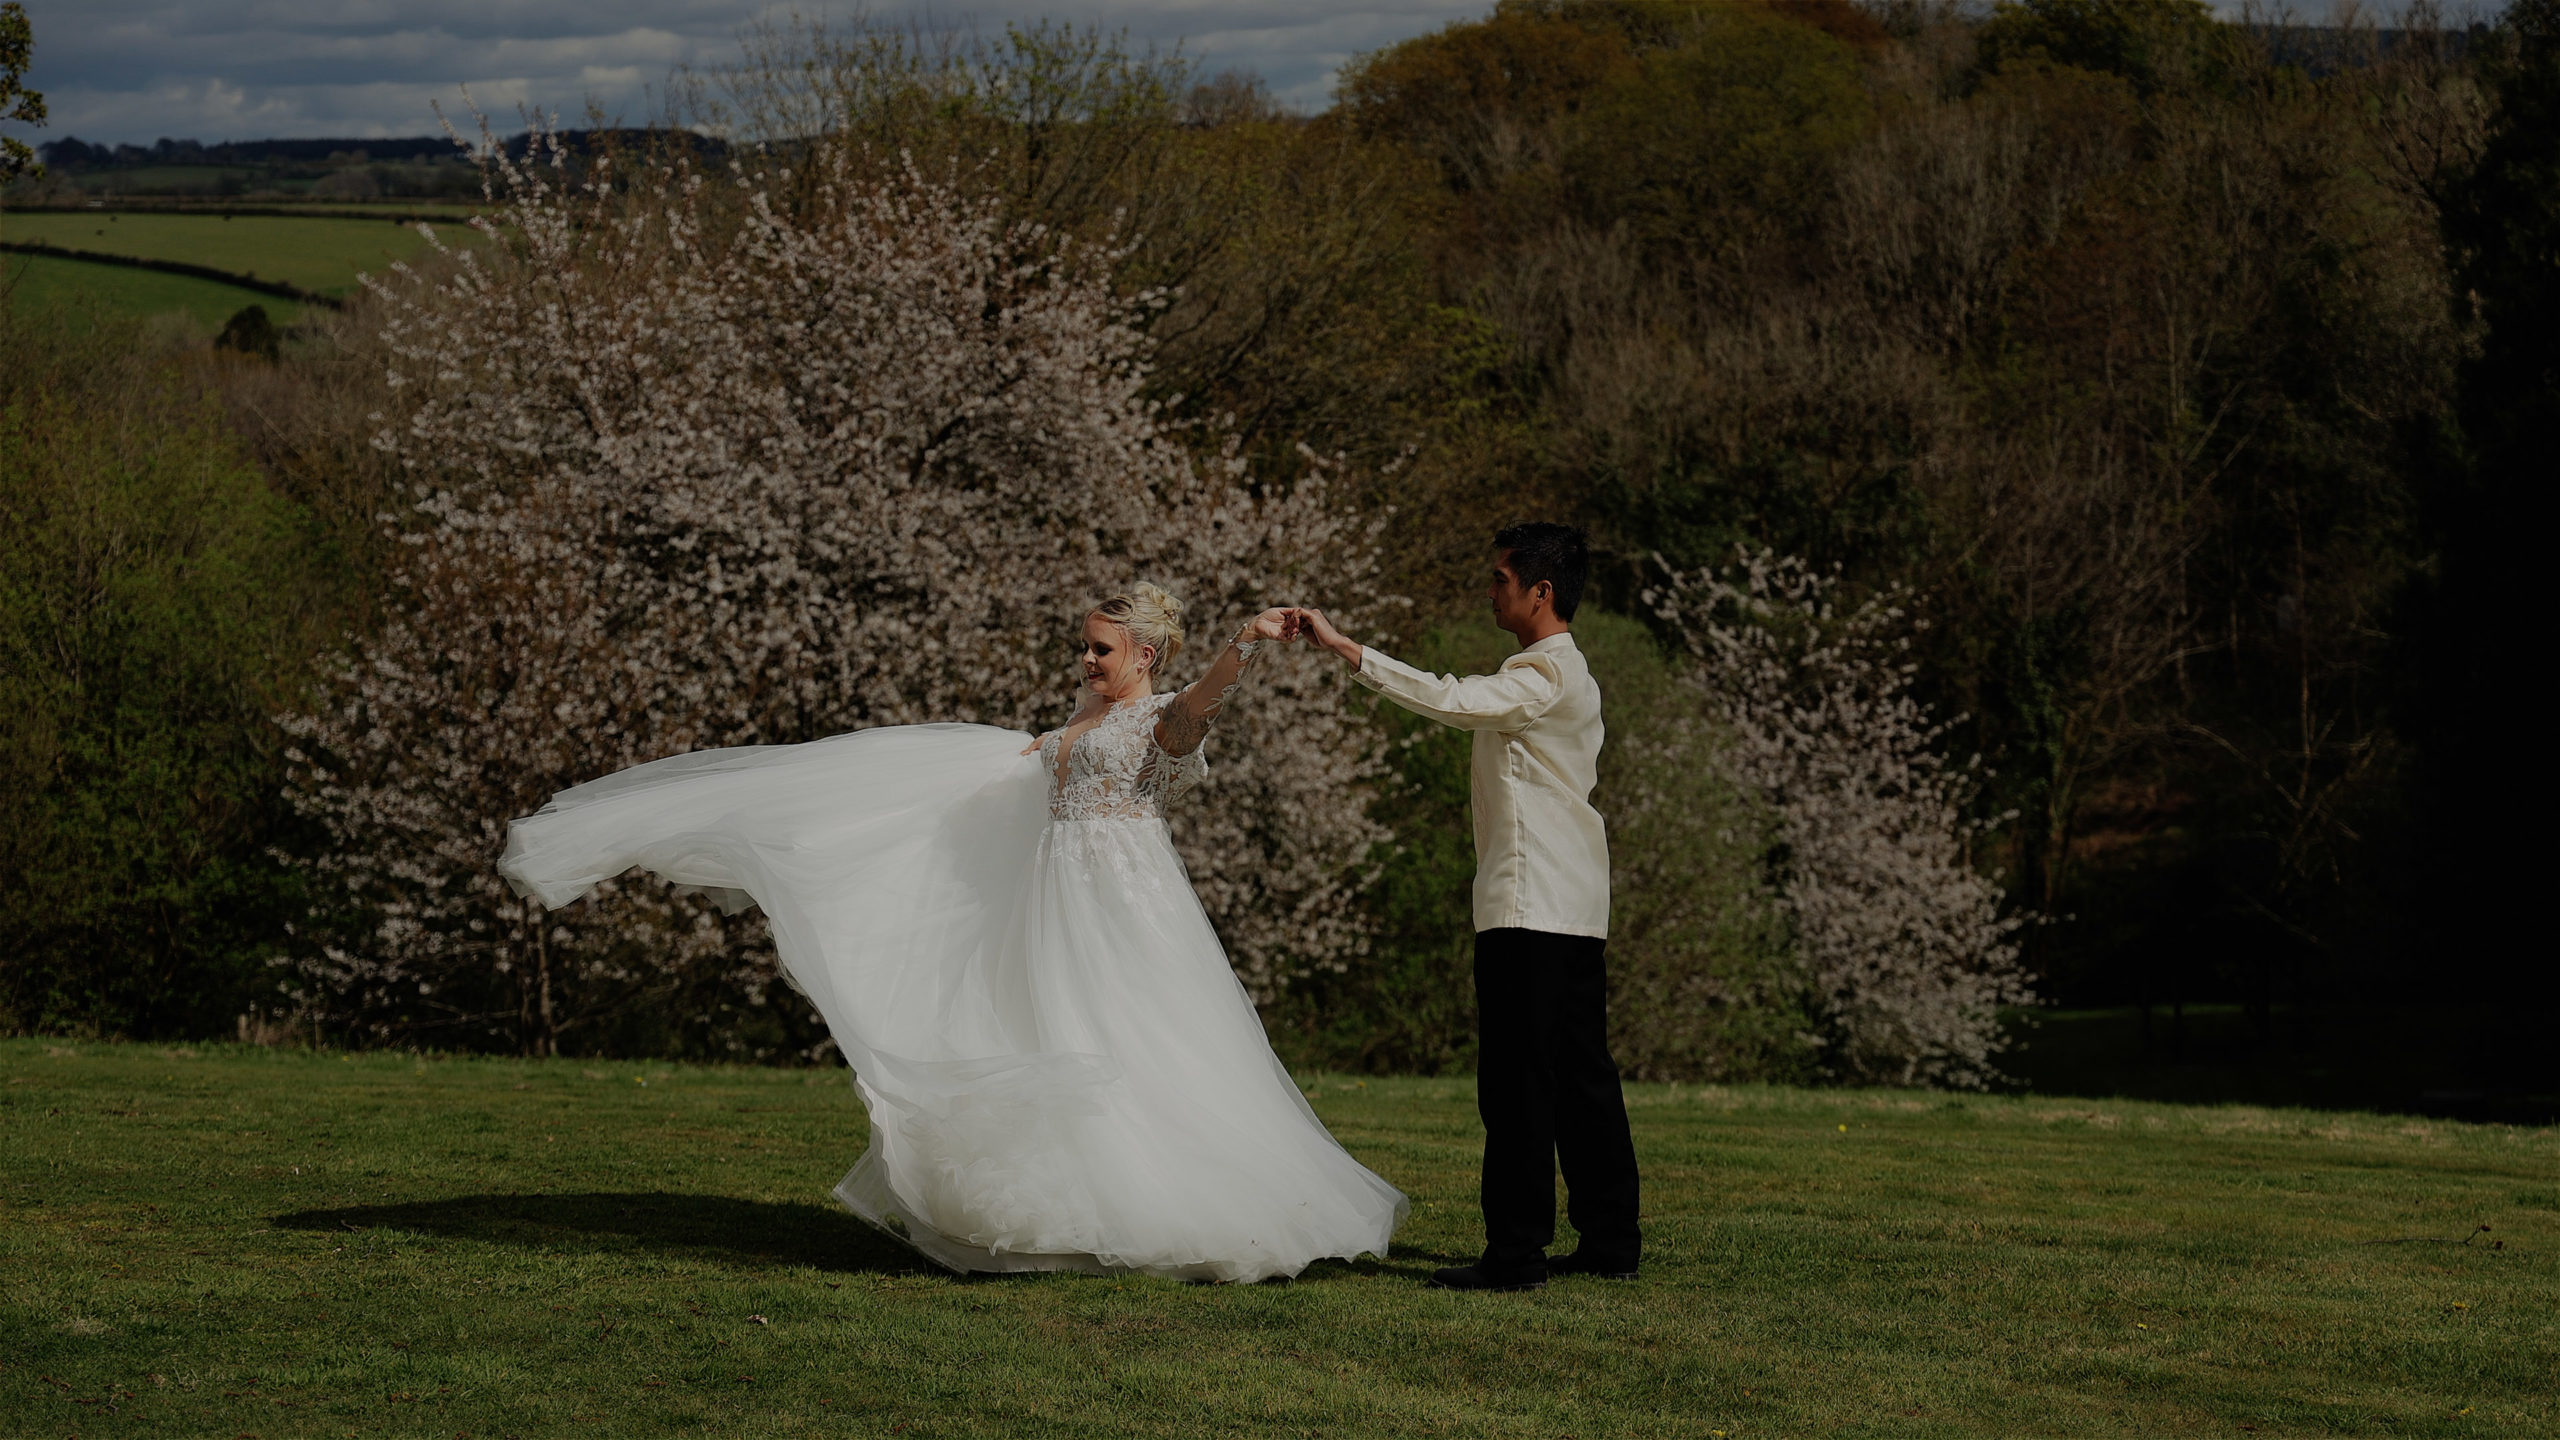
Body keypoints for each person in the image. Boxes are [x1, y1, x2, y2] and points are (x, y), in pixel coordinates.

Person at [498, 584, 1406, 1282]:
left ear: (1145, 654)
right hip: (1052, 890)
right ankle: (1068, 1209)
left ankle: (1179, 1202)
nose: (1084, 661)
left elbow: (1198, 708)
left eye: (1099, 650)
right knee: (1046, 1030)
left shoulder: (1153, 718)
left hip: (1121, 895)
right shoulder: (1084, 717)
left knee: (1136, 1034)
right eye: (1082, 648)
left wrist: (1240, 647)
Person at [1292, 523, 1639, 1291]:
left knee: (1517, 1084)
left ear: (1539, 592)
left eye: (1499, 579)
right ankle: (1611, 1241)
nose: (1490, 591)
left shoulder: (1542, 677)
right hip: (1574, 905)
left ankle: (1515, 1255)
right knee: (1584, 1077)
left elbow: (1452, 700)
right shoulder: (1571, 674)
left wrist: (1348, 649)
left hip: (1530, 904)